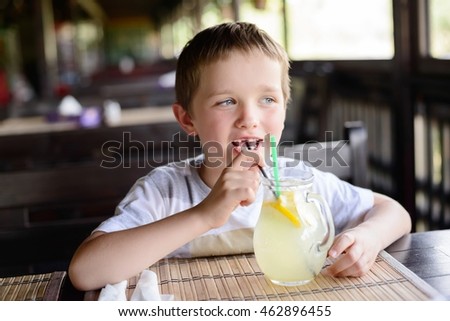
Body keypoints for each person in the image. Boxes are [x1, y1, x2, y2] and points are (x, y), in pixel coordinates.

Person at [68, 22, 411, 291]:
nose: (249, 117)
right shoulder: (165, 193)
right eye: (226, 101)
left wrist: (369, 238)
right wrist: (205, 215)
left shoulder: (298, 185)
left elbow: (393, 212)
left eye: (267, 99)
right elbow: (85, 272)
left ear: (284, 111)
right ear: (188, 119)